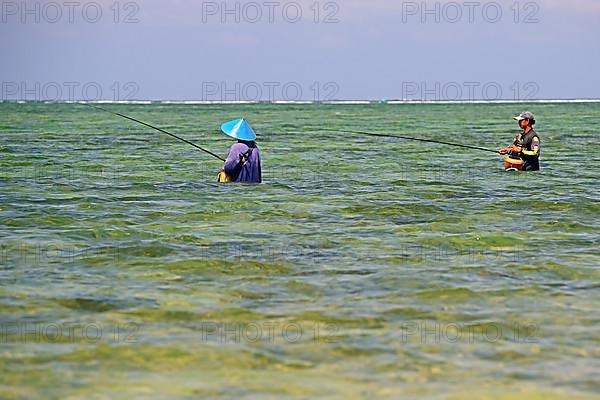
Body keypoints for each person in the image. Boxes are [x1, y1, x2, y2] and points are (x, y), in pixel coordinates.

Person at [218, 118, 262, 183]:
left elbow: (229, 168)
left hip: (240, 185)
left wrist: (226, 164)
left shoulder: (237, 147)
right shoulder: (255, 148)